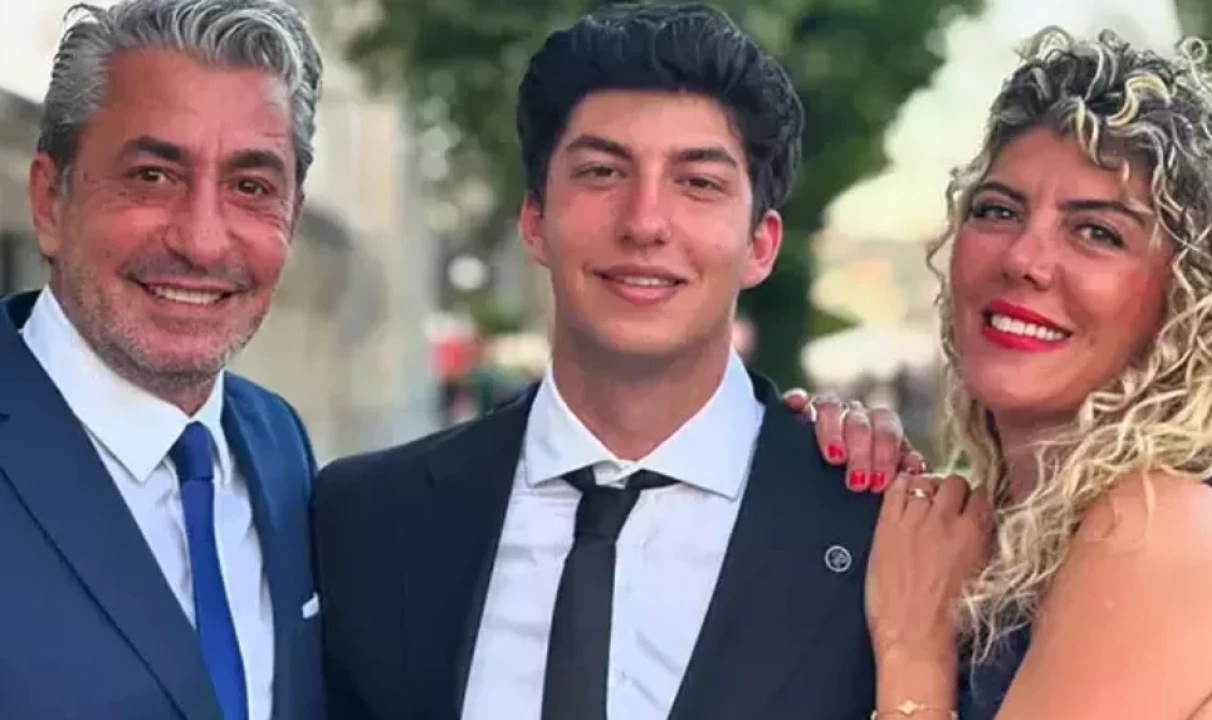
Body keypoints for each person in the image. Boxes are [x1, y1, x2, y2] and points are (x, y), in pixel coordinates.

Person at [311, 4, 918, 719]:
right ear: (535, 219)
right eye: (602, 172)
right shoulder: (366, 518)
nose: (644, 222)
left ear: (761, 244)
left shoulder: (878, 532)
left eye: (698, 182)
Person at [797, 27, 1212, 719]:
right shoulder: (1002, 545)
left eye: (1098, 232)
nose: (1024, 258)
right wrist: (806, 473)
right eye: (998, 211)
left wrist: (913, 653)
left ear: (1189, 300)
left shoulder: (1159, 529)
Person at [0, 1, 325, 718]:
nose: (203, 242)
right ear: (50, 202)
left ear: (292, 218)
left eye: (251, 187)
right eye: (152, 176)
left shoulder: (279, 444)